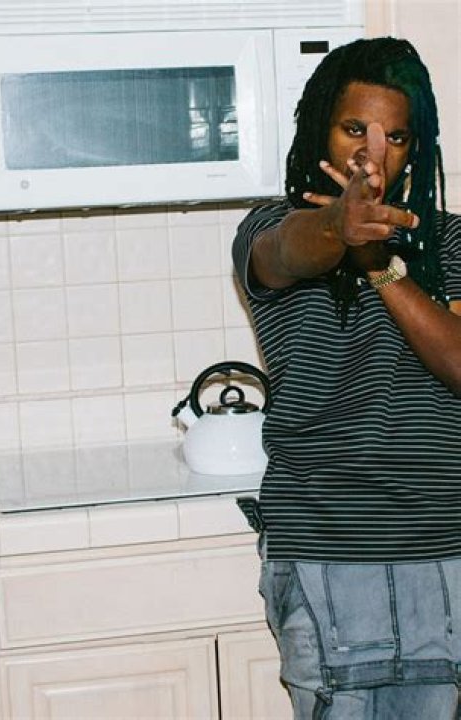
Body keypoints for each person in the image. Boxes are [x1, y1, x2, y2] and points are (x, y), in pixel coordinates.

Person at [232, 37, 461, 719]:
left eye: (396, 137)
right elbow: (285, 253)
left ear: (416, 148)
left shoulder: (450, 242)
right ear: (319, 131)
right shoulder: (270, 228)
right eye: (354, 129)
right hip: (326, 553)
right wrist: (339, 225)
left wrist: (379, 265)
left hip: (447, 549)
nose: (372, 154)